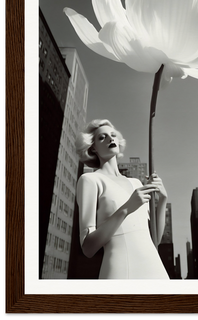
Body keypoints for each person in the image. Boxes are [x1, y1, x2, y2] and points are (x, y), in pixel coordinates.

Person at [75, 119, 170, 279]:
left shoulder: (136, 183)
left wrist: (163, 200)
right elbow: (88, 248)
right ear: (93, 148)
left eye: (113, 135)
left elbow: (154, 240)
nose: (110, 139)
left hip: (155, 269)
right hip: (121, 270)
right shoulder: (90, 180)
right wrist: (127, 208)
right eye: (102, 137)